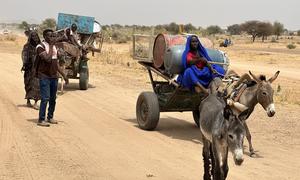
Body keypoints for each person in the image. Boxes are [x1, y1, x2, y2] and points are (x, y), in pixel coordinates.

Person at [35, 29, 69, 127]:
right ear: (45, 37)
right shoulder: (40, 47)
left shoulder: (54, 47)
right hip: (44, 76)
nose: (53, 38)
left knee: (53, 98)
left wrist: (64, 75)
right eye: (50, 36)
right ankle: (41, 119)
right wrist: (50, 45)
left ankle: (50, 117)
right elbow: (47, 59)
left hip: (54, 76)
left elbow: (55, 63)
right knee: (45, 98)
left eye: (54, 36)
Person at [21, 31, 41, 109]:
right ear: (30, 37)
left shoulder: (40, 46)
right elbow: (24, 56)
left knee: (37, 85)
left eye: (36, 36)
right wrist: (24, 64)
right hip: (29, 69)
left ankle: (36, 102)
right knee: (28, 84)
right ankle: (28, 101)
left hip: (37, 69)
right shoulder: (26, 47)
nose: (35, 38)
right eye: (33, 36)